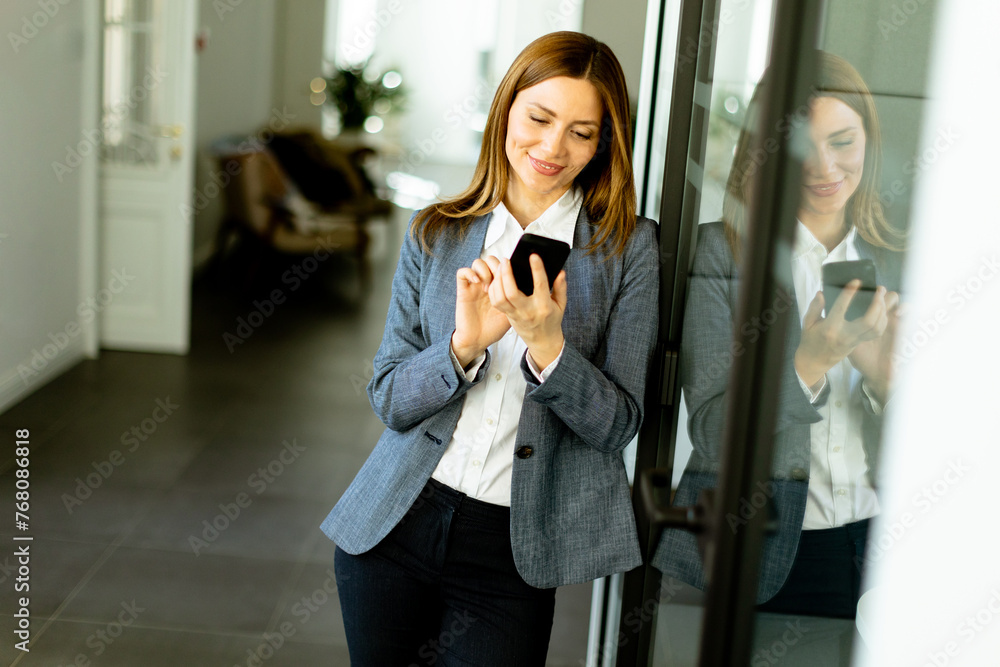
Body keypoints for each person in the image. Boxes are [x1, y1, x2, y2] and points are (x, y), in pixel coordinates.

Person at [320, 31, 659, 665]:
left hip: (512, 548)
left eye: (582, 132)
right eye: (539, 117)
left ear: (605, 142)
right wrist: (461, 348)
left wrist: (547, 345)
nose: (553, 148)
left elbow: (618, 426)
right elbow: (390, 398)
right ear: (506, 109)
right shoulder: (438, 230)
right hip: (396, 525)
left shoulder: (629, 250)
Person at [653, 52, 905, 619]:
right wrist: (807, 365)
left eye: (842, 141)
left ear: (869, 139)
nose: (823, 167)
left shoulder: (897, 260)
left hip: (884, 541)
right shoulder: (722, 251)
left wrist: (888, 383)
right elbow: (714, 435)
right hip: (765, 548)